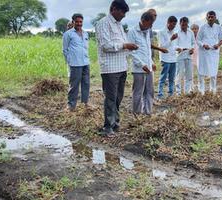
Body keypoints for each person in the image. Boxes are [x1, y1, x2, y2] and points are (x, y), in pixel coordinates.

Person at [95, 0, 138, 137]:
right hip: (110, 68)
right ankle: (107, 127)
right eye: (122, 12)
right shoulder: (103, 23)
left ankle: (115, 122)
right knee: (111, 98)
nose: (124, 15)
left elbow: (122, 44)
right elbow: (106, 46)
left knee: (118, 97)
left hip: (121, 66)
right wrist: (125, 46)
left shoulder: (119, 25)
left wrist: (130, 48)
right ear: (113, 9)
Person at [128, 12, 155, 115]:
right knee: (138, 92)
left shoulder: (147, 31)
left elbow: (147, 49)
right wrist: (142, 64)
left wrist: (151, 62)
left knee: (150, 91)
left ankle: (148, 112)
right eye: (149, 24)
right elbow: (131, 52)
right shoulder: (132, 32)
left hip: (149, 67)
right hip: (139, 69)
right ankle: (137, 114)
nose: (150, 27)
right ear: (143, 21)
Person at [63, 13, 91, 112]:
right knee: (74, 85)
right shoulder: (68, 34)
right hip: (75, 64)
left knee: (86, 84)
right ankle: (71, 106)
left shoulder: (86, 33)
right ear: (73, 22)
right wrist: (70, 61)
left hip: (85, 62)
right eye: (77, 22)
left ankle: (84, 104)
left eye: (81, 22)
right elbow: (65, 50)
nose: (79, 24)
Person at [197, 11, 222, 95]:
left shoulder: (219, 27)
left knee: (213, 71)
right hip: (204, 52)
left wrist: (218, 45)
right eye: (209, 17)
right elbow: (198, 40)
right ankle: (201, 90)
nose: (210, 18)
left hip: (214, 52)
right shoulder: (202, 27)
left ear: (215, 18)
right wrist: (203, 45)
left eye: (212, 17)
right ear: (206, 18)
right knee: (202, 71)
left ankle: (213, 90)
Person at [158, 16, 178, 99]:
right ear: (168, 22)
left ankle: (170, 94)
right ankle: (160, 94)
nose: (173, 26)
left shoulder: (174, 32)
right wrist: (171, 39)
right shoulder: (162, 32)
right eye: (172, 24)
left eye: (175, 25)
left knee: (172, 78)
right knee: (163, 77)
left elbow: (174, 46)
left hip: (173, 58)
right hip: (165, 58)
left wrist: (178, 48)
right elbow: (162, 46)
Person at [175, 17, 195, 95]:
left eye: (185, 25)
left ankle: (186, 92)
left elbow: (193, 42)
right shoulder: (177, 33)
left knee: (189, 74)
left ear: (187, 24)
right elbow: (174, 45)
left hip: (189, 55)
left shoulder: (191, 32)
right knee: (179, 74)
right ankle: (178, 93)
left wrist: (192, 49)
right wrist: (178, 48)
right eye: (182, 25)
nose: (183, 26)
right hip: (180, 56)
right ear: (180, 24)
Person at [190, 24, 200, 91]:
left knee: (200, 73)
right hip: (191, 57)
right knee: (191, 74)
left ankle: (200, 87)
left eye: (196, 28)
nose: (194, 30)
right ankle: (191, 88)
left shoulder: (200, 38)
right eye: (193, 29)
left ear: (198, 30)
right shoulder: (189, 38)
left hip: (199, 57)